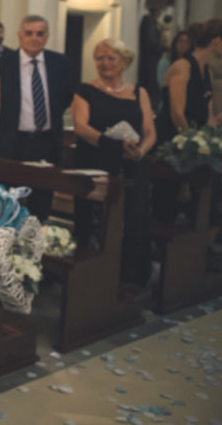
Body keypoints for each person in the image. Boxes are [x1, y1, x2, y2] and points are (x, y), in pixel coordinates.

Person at [71, 38, 156, 285]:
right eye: (99, 58)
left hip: (132, 165)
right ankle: (93, 279)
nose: (104, 63)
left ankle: (130, 278)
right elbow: (81, 127)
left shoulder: (139, 92)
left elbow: (150, 130)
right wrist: (114, 144)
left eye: (110, 58)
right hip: (95, 163)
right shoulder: (85, 89)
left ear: (124, 62)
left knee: (134, 221)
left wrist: (141, 150)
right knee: (98, 223)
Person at [0, 15, 73, 221]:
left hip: (46, 142)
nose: (34, 38)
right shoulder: (2, 65)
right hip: (12, 142)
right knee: (8, 205)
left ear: (47, 36)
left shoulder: (60, 63)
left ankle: (35, 249)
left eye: (40, 33)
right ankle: (5, 250)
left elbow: (65, 98)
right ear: (20, 36)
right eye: (29, 33)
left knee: (41, 204)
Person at [153, 19, 222, 223]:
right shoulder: (182, 66)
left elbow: (207, 114)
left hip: (195, 145)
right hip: (172, 140)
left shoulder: (206, 70)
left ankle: (199, 245)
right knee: (166, 202)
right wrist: (194, 144)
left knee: (207, 198)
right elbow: (176, 112)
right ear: (217, 41)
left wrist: (213, 134)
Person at [156, 30, 191, 94]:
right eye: (181, 41)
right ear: (175, 43)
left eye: (187, 42)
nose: (183, 45)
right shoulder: (165, 61)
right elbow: (162, 83)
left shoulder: (190, 62)